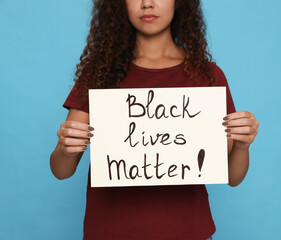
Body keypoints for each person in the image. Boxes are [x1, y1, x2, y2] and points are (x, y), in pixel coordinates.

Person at [50, 0, 259, 239]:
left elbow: (232, 177)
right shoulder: (99, 73)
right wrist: (65, 149)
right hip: (110, 232)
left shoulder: (208, 76)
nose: (147, 4)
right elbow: (61, 171)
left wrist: (243, 145)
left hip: (188, 232)